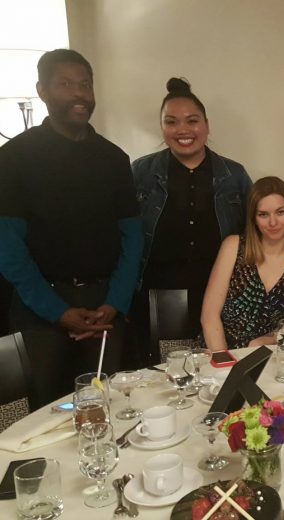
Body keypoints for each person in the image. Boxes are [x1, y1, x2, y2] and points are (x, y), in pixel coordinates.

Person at [0, 49, 143, 407]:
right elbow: (8, 247)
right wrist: (57, 312)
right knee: (45, 413)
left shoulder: (114, 159)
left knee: (108, 407)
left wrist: (115, 302)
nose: (79, 93)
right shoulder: (14, 157)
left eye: (85, 84)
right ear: (42, 91)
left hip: (104, 308)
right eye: (65, 84)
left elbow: (132, 237)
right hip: (41, 309)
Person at [131, 78, 252, 361]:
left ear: (207, 125)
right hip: (161, 298)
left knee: (219, 367)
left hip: (222, 297)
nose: (183, 130)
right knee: (171, 373)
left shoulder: (233, 175)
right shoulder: (141, 173)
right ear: (162, 128)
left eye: (192, 121)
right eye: (171, 122)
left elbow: (252, 238)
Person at [200, 176, 284, 351]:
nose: (273, 222)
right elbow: (209, 317)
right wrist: (225, 361)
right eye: (263, 214)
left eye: (280, 212)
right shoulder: (233, 246)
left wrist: (261, 343)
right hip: (218, 350)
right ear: (253, 218)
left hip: (267, 353)